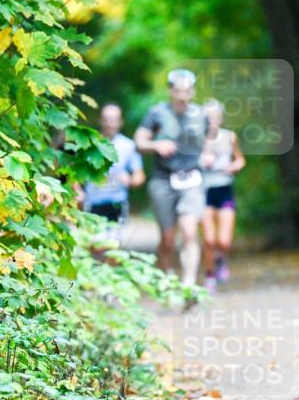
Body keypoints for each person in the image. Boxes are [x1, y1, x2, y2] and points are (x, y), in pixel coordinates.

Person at [134, 69, 207, 288]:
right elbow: (139, 141)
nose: (183, 94)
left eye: (187, 90)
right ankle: (167, 279)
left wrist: (209, 155)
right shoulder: (156, 113)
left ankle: (188, 283)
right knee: (167, 239)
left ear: (193, 91)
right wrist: (156, 145)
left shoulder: (201, 114)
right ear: (170, 91)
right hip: (163, 178)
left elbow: (211, 142)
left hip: (192, 178)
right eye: (178, 90)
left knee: (190, 231)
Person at [199, 99, 245, 292]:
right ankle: (209, 276)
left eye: (216, 116)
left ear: (221, 118)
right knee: (209, 240)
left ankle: (220, 259)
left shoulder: (230, 137)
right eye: (208, 117)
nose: (212, 120)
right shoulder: (197, 140)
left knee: (224, 241)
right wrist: (202, 161)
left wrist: (233, 167)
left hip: (225, 189)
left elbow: (240, 159)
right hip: (203, 192)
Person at [84, 103, 145, 242]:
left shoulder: (129, 146)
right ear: (100, 120)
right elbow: (74, 172)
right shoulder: (88, 144)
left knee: (113, 245)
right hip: (92, 202)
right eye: (106, 119)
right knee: (94, 244)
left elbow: (139, 176)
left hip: (117, 202)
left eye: (114, 120)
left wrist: (130, 180)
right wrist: (78, 192)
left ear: (120, 122)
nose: (110, 124)